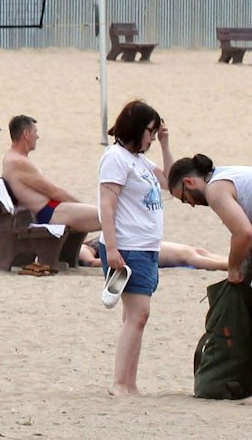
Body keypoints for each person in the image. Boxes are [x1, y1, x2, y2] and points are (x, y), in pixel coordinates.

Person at [98, 99, 170, 396]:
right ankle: (120, 384)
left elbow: (168, 181)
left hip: (147, 247)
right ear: (137, 128)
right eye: (151, 132)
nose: (152, 137)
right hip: (128, 246)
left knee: (135, 316)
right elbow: (107, 203)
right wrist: (112, 249)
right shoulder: (115, 157)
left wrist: (166, 144)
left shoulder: (139, 160)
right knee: (138, 314)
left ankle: (129, 382)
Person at [2, 115, 101, 232]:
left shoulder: (12, 158)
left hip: (49, 210)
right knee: (111, 217)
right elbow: (54, 192)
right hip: (49, 213)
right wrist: (80, 205)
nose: (37, 136)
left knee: (111, 218)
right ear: (26, 134)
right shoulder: (18, 162)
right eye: (35, 132)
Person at [167, 154, 252, 283]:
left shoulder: (214, 189)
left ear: (188, 182)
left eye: (185, 199)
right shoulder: (227, 174)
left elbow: (244, 233)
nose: (192, 205)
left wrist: (233, 269)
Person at [81, 238, 226, 271]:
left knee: (197, 251)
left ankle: (232, 261)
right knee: (190, 256)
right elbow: (91, 262)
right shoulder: (84, 247)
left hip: (142, 246)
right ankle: (228, 265)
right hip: (139, 252)